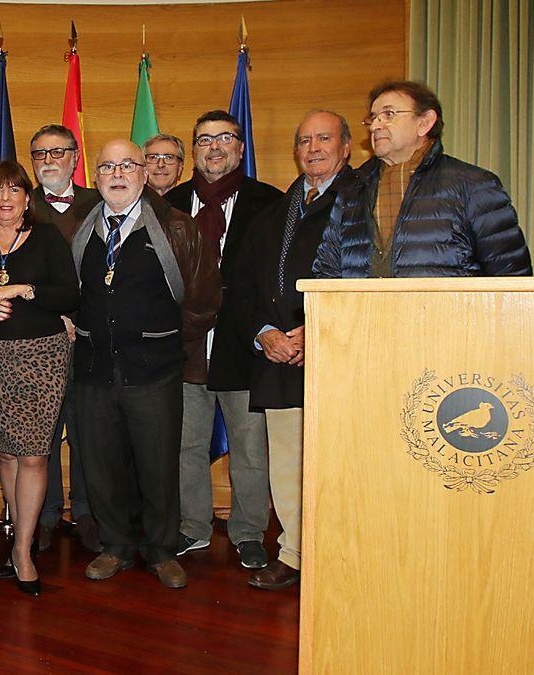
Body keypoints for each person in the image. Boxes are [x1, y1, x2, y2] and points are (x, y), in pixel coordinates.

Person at [71, 139, 220, 588]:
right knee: (101, 465)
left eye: (127, 165)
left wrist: (166, 343)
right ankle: (115, 546)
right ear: (95, 177)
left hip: (155, 372)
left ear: (143, 173)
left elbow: (204, 300)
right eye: (107, 167)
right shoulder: (82, 229)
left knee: (159, 466)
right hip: (95, 372)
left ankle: (160, 550)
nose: (117, 174)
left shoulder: (177, 227)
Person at [234, 110, 354, 591]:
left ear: (347, 146)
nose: (314, 148)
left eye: (324, 138)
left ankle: (343, 557)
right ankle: (294, 554)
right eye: (304, 140)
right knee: (287, 463)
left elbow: (368, 276)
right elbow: (241, 286)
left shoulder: (363, 203)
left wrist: (317, 329)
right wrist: (265, 334)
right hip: (280, 358)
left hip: (341, 358)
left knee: (343, 465)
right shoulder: (278, 211)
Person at [166, 111, 283, 570]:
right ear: (193, 150)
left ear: (239, 147)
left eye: (225, 139)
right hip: (184, 349)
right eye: (204, 140)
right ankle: (192, 527)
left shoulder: (268, 203)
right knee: (185, 444)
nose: (214, 148)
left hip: (244, 349)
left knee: (251, 449)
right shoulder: (169, 204)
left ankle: (249, 531)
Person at [0, 160, 78, 595]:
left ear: (28, 198)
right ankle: (16, 542)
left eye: (14, 190)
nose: (6, 198)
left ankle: (24, 551)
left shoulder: (46, 238)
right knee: (7, 455)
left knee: (34, 455)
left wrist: (20, 289)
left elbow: (70, 294)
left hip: (43, 357)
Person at [313, 80, 531, 278]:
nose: (376, 126)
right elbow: (326, 275)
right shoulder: (352, 190)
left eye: (388, 115)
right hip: (365, 320)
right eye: (373, 118)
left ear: (424, 122)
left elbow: (511, 279)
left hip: (448, 320)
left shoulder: (474, 185)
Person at [26, 124, 102, 553]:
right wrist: (56, 314)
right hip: (41, 341)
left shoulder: (100, 201)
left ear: (75, 157)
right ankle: (46, 515)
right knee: (45, 433)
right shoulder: (18, 205)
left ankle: (88, 513)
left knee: (89, 430)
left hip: (93, 339)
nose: (49, 160)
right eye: (40, 154)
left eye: (58, 152)